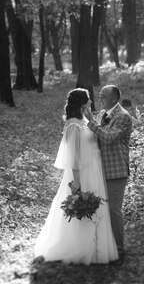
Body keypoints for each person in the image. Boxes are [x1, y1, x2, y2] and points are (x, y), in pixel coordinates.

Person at [34, 88, 119, 264]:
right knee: (83, 204)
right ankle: (78, 247)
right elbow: (73, 156)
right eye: (88, 99)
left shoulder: (85, 119)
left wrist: (92, 118)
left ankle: (97, 247)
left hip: (95, 169)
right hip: (83, 171)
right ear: (81, 103)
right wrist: (78, 181)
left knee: (97, 206)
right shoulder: (73, 124)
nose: (91, 102)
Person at [83, 85, 132, 261]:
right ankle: (106, 247)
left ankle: (119, 250)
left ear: (114, 98)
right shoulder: (103, 114)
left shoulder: (123, 116)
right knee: (103, 209)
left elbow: (109, 138)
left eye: (103, 96)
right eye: (100, 95)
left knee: (113, 210)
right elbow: (96, 136)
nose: (100, 98)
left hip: (116, 171)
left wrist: (91, 121)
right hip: (100, 170)